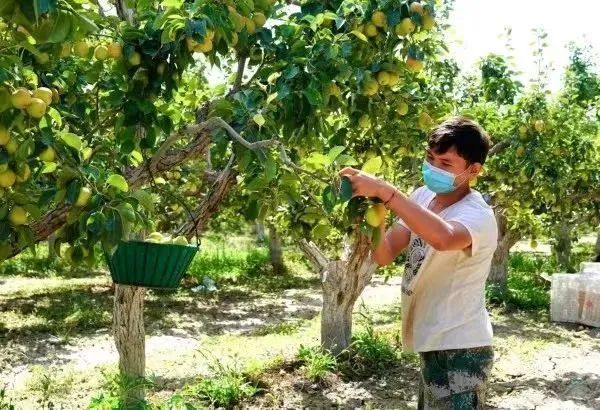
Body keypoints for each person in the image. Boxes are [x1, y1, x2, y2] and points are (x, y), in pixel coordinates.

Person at [340, 116, 498, 409]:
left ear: (473, 170)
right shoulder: (423, 197)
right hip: (432, 341)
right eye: (430, 158)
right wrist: (374, 216)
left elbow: (444, 237)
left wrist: (386, 192)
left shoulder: (478, 215)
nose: (433, 168)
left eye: (445, 164)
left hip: (460, 345)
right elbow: (385, 253)